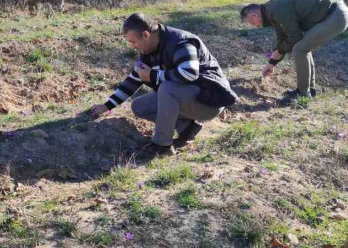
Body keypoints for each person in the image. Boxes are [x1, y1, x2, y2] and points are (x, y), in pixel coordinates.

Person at [89, 13, 238, 157]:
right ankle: (187, 128)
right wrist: (106, 106)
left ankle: (162, 145)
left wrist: (153, 75)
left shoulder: (181, 42)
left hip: (210, 101)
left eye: (133, 42)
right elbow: (134, 80)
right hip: (191, 99)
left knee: (168, 88)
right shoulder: (148, 49)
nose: (133, 46)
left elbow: (190, 73)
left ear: (146, 35)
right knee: (139, 106)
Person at [240, 0, 348, 103]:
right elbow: (282, 40)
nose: (253, 25)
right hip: (335, 14)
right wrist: (271, 63)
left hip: (336, 15)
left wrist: (280, 51)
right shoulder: (272, 12)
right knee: (302, 48)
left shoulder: (276, 10)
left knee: (299, 50)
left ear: (254, 15)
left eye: (251, 22)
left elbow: (295, 37)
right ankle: (310, 90)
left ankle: (303, 94)